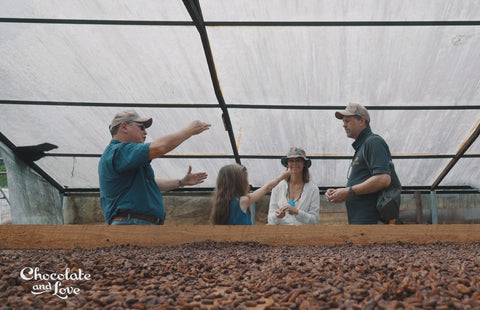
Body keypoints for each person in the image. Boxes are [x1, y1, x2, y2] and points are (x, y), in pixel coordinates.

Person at [98, 109, 211, 225]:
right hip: (132, 224)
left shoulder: (124, 157)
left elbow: (149, 183)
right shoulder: (119, 151)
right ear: (124, 127)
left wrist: (181, 182)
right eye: (141, 127)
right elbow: (159, 147)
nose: (145, 132)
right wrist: (189, 131)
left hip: (136, 223)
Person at [325, 102, 392, 224]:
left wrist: (348, 191)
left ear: (361, 121)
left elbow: (383, 179)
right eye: (343, 121)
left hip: (372, 222)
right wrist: (340, 192)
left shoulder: (373, 142)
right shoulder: (362, 146)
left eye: (348, 121)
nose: (344, 125)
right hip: (361, 222)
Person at [210, 164, 291, 225]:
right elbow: (267, 188)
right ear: (240, 183)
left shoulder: (220, 203)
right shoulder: (243, 201)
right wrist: (281, 177)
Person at [267, 147, 320, 225]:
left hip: (304, 235)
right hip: (281, 234)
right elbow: (270, 220)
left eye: (298, 160)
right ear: (287, 164)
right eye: (291, 161)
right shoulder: (278, 187)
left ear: (304, 164)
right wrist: (277, 216)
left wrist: (297, 212)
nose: (294, 164)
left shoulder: (313, 189)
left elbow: (314, 220)